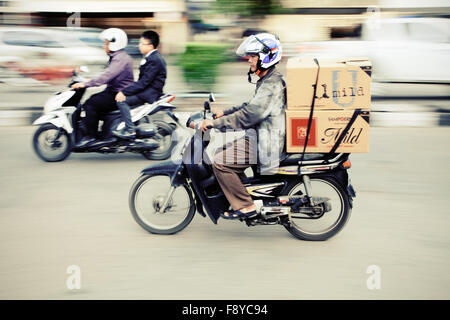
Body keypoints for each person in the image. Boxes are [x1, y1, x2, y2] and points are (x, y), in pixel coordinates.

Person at [200, 33, 287, 220]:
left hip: (266, 141)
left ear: (266, 57)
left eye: (253, 57)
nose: (250, 61)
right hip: (260, 134)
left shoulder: (271, 84)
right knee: (221, 152)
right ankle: (246, 192)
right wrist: (225, 113)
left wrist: (215, 123)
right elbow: (250, 106)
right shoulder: (268, 79)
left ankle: (246, 206)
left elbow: (249, 115)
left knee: (221, 162)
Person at [72, 28, 134, 148]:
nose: (103, 46)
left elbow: (106, 76)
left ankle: (91, 137)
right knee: (94, 100)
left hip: (118, 94)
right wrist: (86, 78)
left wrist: (85, 84)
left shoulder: (120, 58)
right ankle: (105, 132)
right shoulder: (117, 57)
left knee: (90, 104)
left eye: (106, 43)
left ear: (114, 43)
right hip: (113, 91)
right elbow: (104, 73)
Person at [112, 30, 167, 139]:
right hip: (146, 90)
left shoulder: (154, 60)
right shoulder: (152, 58)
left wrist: (123, 92)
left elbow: (143, 82)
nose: (139, 46)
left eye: (142, 44)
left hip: (148, 93)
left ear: (150, 46)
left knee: (121, 101)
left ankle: (130, 130)